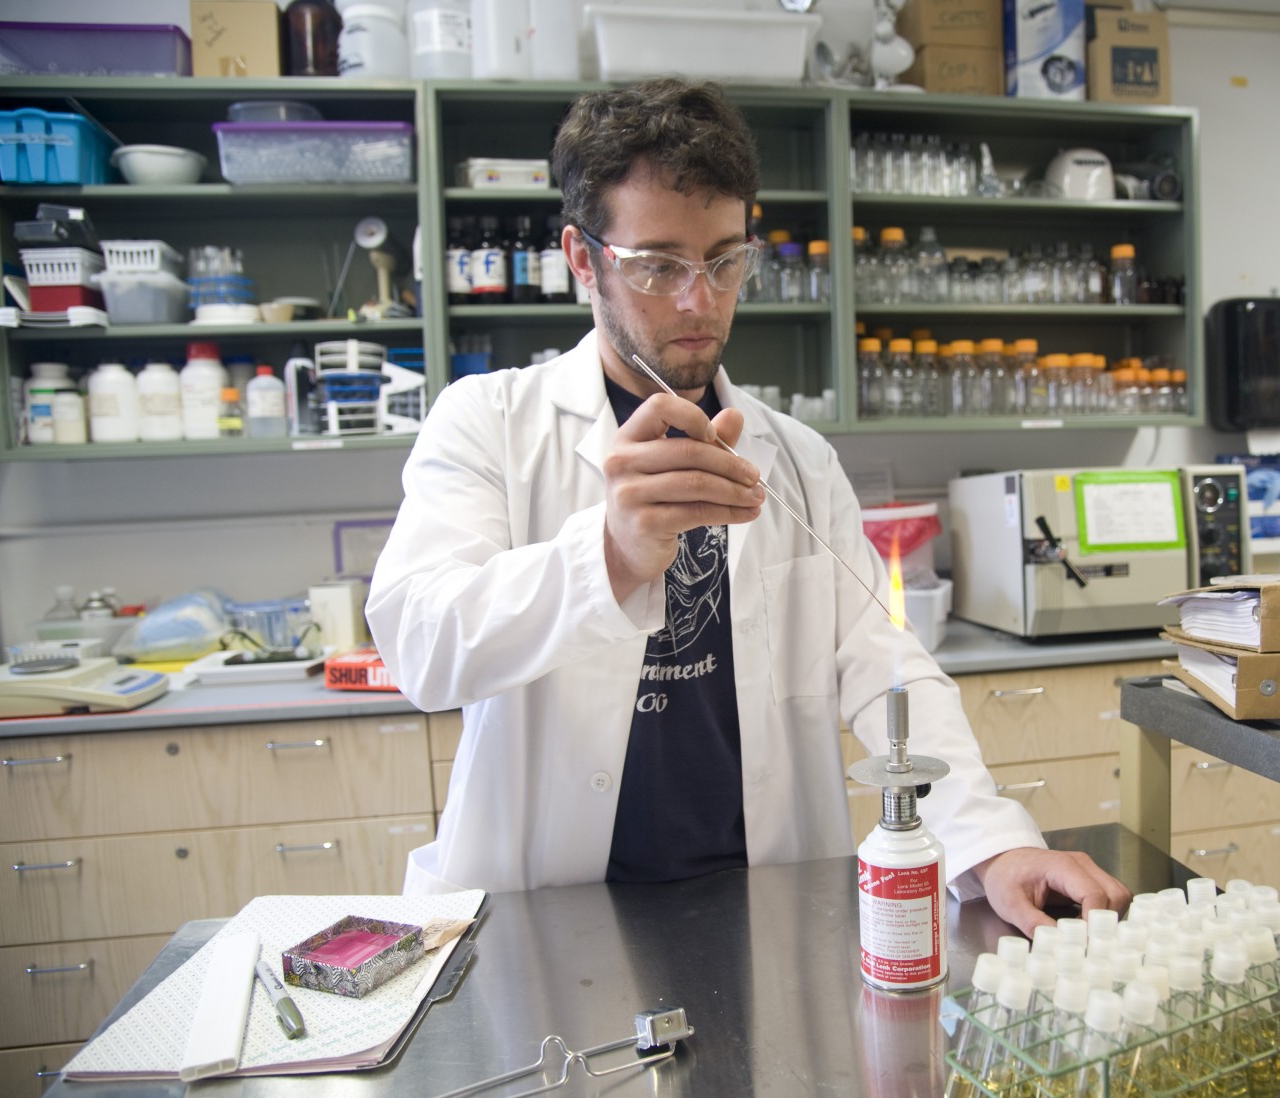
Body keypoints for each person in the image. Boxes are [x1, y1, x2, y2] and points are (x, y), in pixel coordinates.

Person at [365, 78, 1130, 934]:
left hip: (767, 912)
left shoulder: (797, 458)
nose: (699, 300)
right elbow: (419, 648)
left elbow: (882, 662)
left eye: (725, 261)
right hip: (547, 923)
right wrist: (608, 558)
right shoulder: (491, 423)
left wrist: (991, 843)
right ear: (583, 259)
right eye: (658, 266)